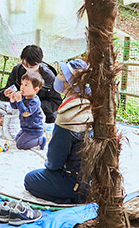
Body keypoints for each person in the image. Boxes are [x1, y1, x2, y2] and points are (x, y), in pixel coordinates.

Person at [23, 58, 92, 204]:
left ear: (69, 83)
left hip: (76, 181)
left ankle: (72, 198)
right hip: (94, 177)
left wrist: (50, 165)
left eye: (62, 74)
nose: (58, 76)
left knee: (30, 179)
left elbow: (55, 162)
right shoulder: (91, 106)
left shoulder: (69, 115)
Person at [0, 45, 60, 123]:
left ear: (39, 62)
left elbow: (56, 102)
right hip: (19, 113)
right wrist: (5, 94)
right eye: (25, 65)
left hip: (42, 117)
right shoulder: (18, 70)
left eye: (32, 66)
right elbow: (6, 93)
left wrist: (33, 105)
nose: (28, 67)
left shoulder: (49, 77)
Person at [9, 70, 46, 150]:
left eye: (26, 85)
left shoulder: (34, 101)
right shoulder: (24, 97)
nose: (22, 87)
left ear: (35, 89)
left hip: (34, 130)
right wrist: (13, 100)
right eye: (22, 84)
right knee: (16, 139)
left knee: (20, 145)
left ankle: (40, 140)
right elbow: (16, 107)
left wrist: (19, 101)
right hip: (25, 128)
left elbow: (25, 113)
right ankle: (32, 138)